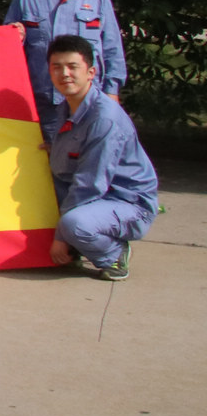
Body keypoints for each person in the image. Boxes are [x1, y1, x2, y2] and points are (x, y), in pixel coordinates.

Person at [44, 36, 158, 281]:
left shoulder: (104, 118)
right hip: (97, 197)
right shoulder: (67, 108)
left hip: (128, 203)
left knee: (73, 224)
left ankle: (114, 253)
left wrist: (61, 236)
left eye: (72, 67)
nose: (64, 74)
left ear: (91, 72)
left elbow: (90, 183)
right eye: (57, 67)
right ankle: (79, 242)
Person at [6, 0, 127, 130]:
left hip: (89, 101)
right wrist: (16, 37)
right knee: (47, 150)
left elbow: (112, 48)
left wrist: (112, 92)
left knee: (89, 150)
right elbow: (8, 52)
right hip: (41, 103)